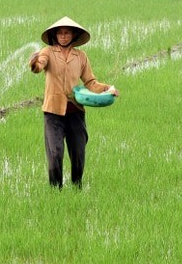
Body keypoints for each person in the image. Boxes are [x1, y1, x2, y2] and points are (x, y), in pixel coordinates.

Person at [29, 16, 119, 189]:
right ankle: (56, 191)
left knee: (78, 153)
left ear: (73, 35)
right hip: (53, 112)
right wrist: (34, 63)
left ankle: (77, 187)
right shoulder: (47, 52)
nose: (63, 36)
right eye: (60, 33)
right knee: (55, 153)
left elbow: (91, 82)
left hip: (75, 111)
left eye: (67, 33)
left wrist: (109, 89)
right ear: (55, 35)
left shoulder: (81, 57)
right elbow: (39, 66)